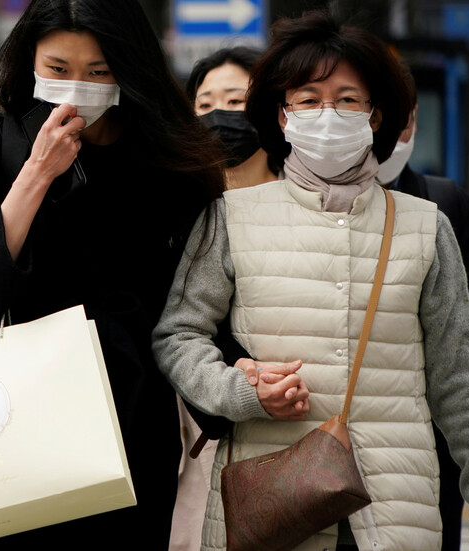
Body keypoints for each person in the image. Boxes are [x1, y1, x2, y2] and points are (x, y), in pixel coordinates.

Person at [152, 12, 469, 551]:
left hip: (395, 509)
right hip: (272, 509)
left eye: (347, 99)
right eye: (308, 99)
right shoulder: (230, 216)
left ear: (374, 116)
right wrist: (239, 391)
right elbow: (177, 336)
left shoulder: (424, 225)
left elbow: (459, 381)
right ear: (282, 114)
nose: (328, 114)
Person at [0, 0, 225, 548]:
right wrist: (37, 171)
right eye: (58, 69)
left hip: (126, 433)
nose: (77, 88)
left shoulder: (167, 165)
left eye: (99, 73)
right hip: (6, 426)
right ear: (29, 59)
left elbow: (198, 298)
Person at [376, 74, 469, 551]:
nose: (392, 132)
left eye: (404, 119)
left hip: (432, 451)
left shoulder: (445, 205)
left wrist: (463, 442)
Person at [166, 46, 275, 551]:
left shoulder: (299, 209)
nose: (220, 117)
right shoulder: (174, 211)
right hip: (195, 427)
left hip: (282, 422)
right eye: (205, 105)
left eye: (236, 101)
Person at [187, 47, 276, 190]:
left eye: (234, 101)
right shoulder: (180, 205)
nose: (217, 114)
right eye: (205, 105)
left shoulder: (305, 199)